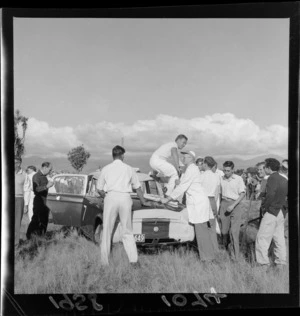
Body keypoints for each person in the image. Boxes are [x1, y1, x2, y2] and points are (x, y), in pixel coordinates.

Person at [97, 145, 151, 267]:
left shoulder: (106, 168)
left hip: (111, 197)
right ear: (122, 156)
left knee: (107, 230)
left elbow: (99, 189)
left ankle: (105, 261)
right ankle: (133, 261)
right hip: (125, 197)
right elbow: (137, 187)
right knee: (127, 230)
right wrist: (143, 200)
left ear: (113, 155)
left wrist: (105, 196)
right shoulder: (129, 168)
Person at [160, 151, 217, 263]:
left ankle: (207, 258)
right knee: (201, 232)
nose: (183, 158)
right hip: (198, 204)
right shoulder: (192, 169)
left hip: (198, 205)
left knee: (202, 233)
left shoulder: (191, 169)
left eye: (185, 156)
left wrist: (168, 198)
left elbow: (182, 187)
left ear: (191, 158)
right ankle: (208, 256)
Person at [255, 158, 288, 270]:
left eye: (264, 167)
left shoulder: (272, 178)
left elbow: (270, 195)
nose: (263, 169)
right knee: (279, 239)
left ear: (268, 168)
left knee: (262, 238)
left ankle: (263, 264)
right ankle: (281, 264)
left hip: (272, 211)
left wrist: (266, 208)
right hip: (281, 211)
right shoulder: (283, 178)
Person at [219, 161, 246, 260]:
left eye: (228, 171)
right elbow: (219, 193)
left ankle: (236, 257)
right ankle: (226, 252)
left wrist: (233, 205)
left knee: (234, 232)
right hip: (224, 204)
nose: (226, 173)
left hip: (236, 205)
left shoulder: (238, 179)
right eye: (224, 170)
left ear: (233, 170)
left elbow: (242, 194)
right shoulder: (221, 179)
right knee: (224, 232)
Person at [26, 162, 54, 239]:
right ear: (45, 167)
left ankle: (41, 236)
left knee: (44, 219)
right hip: (39, 200)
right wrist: (47, 186)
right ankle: (29, 236)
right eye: (50, 169)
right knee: (36, 219)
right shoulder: (36, 176)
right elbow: (36, 189)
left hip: (45, 200)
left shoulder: (45, 177)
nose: (50, 171)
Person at [199, 156, 220, 251]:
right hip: (212, 202)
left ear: (206, 164)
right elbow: (216, 193)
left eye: (203, 163)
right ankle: (215, 250)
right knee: (212, 228)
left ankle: (207, 251)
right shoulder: (216, 176)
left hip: (203, 202)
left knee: (203, 229)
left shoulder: (201, 176)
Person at [15, 157, 31, 246]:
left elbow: (27, 190)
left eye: (15, 162)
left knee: (17, 222)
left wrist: (26, 205)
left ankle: (15, 244)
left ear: (19, 163)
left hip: (19, 199)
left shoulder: (24, 175)